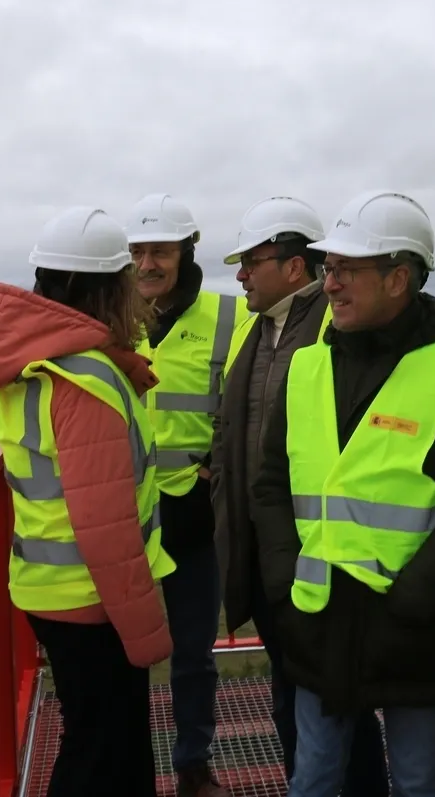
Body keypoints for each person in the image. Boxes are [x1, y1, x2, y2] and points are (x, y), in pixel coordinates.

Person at [249, 190, 435, 797]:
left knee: (416, 781)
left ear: (399, 278)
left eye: (347, 269)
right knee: (314, 779)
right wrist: (284, 580)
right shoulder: (307, 369)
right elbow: (270, 486)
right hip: (320, 618)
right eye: (329, 268)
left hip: (413, 625)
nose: (330, 283)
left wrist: (415, 599)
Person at [0, 205, 174, 797]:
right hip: (92, 601)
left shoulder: (35, 365)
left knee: (108, 741)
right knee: (98, 752)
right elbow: (105, 527)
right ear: (108, 288)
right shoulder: (86, 383)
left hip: (52, 589)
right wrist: (147, 632)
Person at [209, 196, 389, 794]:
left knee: (334, 700)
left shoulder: (337, 327)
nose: (240, 275)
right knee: (294, 695)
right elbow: (237, 428)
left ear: (293, 267)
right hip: (268, 550)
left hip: (317, 552)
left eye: (251, 261)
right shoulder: (258, 331)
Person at [125, 193, 248, 797]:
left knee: (193, 652)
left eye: (161, 252)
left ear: (185, 254)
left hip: (193, 511)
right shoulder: (114, 319)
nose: (148, 264)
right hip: (126, 512)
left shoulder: (231, 316)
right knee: (123, 648)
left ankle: (192, 765)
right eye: (139, 252)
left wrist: (214, 478)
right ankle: (127, 768)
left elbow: (253, 400)